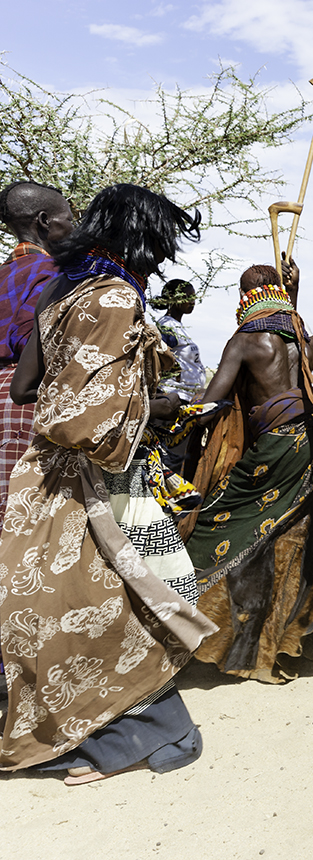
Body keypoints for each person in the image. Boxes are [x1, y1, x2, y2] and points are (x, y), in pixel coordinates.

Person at [0, 183, 216, 780]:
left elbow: (25, 388)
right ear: (140, 239)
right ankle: (153, 734)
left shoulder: (60, 290)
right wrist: (153, 402)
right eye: (160, 245)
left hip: (40, 473)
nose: (162, 260)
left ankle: (106, 730)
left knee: (45, 602)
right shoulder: (118, 297)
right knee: (117, 601)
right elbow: (92, 424)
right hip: (101, 475)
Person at [182, 264, 313, 682]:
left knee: (212, 524)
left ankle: (199, 632)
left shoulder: (244, 341)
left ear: (245, 297)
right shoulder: (299, 334)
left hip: (279, 447)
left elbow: (209, 407)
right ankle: (286, 640)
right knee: (294, 535)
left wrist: (175, 417)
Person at [0, 182, 74, 520]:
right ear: (44, 221)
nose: (73, 228)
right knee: (22, 514)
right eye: (68, 219)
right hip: (25, 396)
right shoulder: (53, 274)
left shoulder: (6, 272)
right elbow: (40, 345)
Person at [152, 278, 207, 403]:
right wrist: (175, 368)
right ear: (173, 297)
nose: (192, 302)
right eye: (188, 297)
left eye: (194, 297)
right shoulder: (167, 326)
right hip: (174, 395)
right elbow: (158, 356)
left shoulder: (177, 326)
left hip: (187, 395)